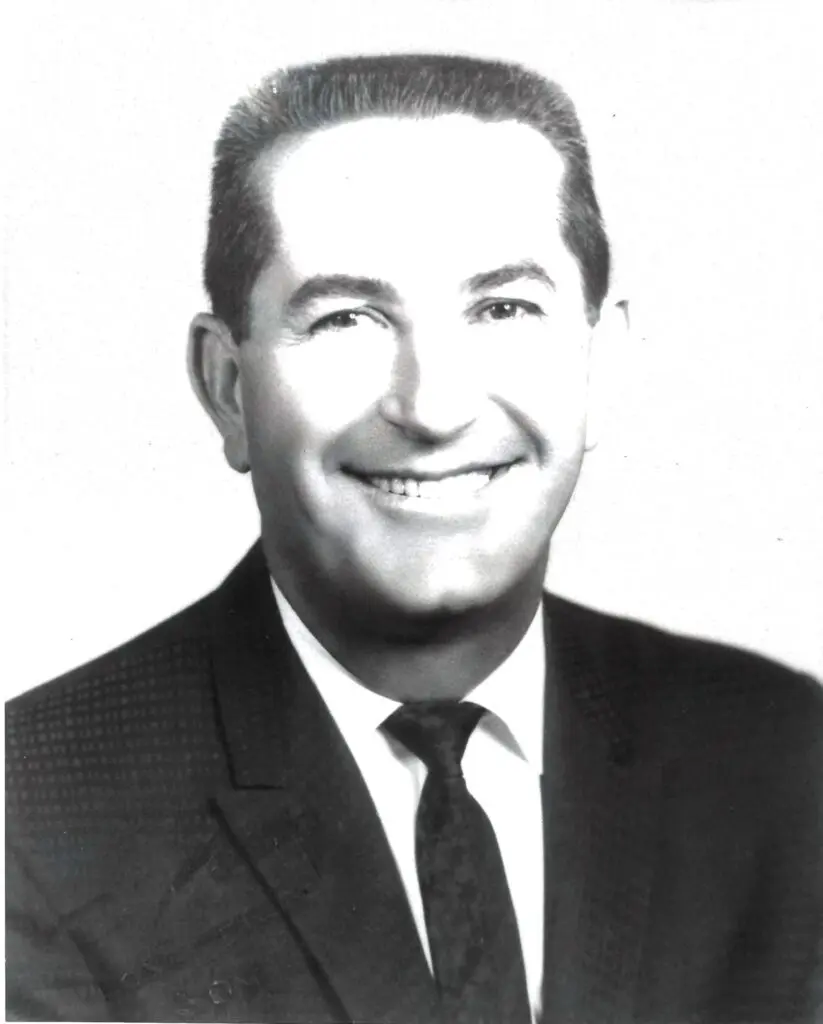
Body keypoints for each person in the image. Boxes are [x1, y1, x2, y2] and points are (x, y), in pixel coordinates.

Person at [6, 53, 822, 1024]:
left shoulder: (784, 758)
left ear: (602, 363)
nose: (431, 407)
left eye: (503, 308)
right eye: (347, 317)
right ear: (227, 386)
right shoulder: (33, 815)